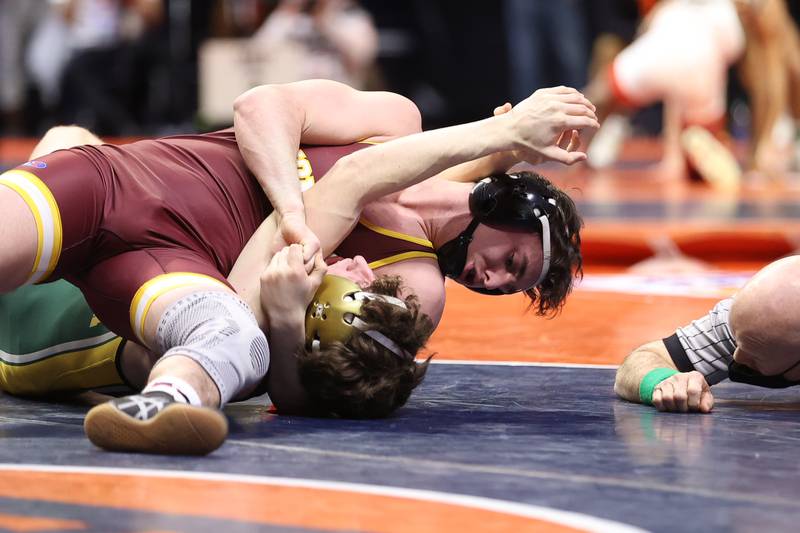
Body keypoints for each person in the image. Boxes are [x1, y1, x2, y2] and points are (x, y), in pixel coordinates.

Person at [0, 80, 597, 453]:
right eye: (511, 261)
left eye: (506, 287)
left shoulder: (415, 288)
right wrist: (293, 210)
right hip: (123, 185)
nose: (489, 281)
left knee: (233, 331)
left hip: (171, 286)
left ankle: (164, 403)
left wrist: (286, 321)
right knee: (66, 137)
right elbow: (260, 107)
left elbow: (315, 386)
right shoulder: (393, 125)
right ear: (508, 201)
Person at [614, 255, 800, 413]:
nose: (736, 356)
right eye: (738, 340)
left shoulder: (761, 335)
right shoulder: (751, 322)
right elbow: (643, 359)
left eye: (757, 355)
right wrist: (663, 381)